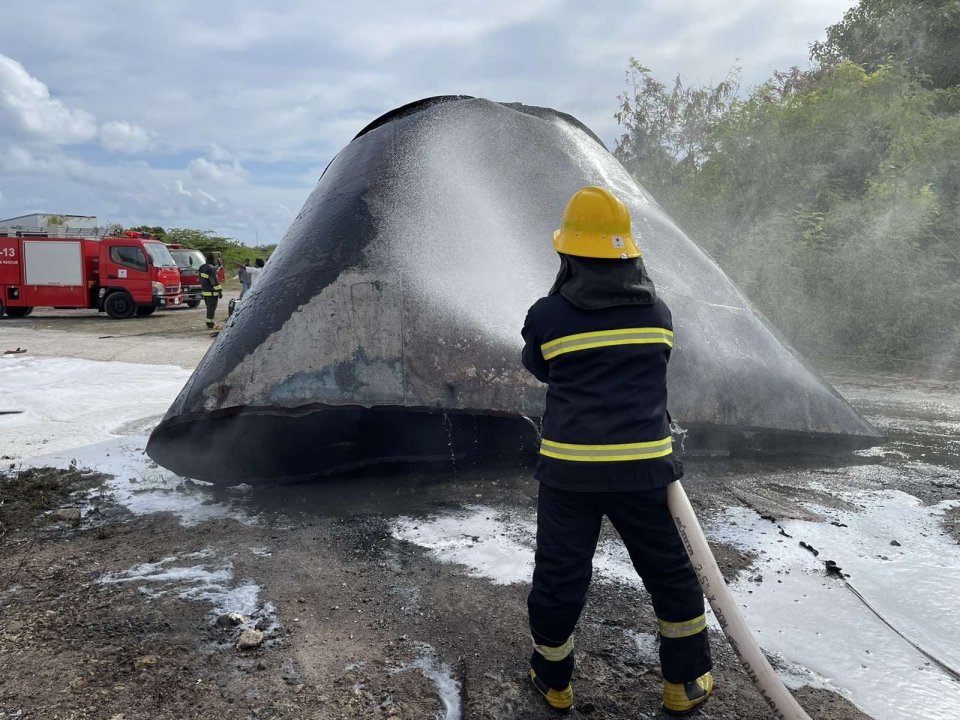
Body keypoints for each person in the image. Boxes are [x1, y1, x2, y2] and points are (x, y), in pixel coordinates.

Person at [521, 186, 712, 716]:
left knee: (560, 578)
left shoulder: (548, 315)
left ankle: (554, 682)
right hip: (645, 472)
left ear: (570, 256)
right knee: (671, 575)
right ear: (629, 254)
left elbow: (541, 367)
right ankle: (683, 683)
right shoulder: (659, 314)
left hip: (570, 476)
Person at [198, 253, 223, 330]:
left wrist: (219, 266)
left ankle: (210, 323)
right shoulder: (211, 268)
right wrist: (219, 291)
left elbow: (203, 278)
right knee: (211, 309)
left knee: (209, 308)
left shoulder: (202, 267)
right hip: (212, 292)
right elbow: (214, 280)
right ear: (213, 259)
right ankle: (210, 324)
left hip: (205, 291)